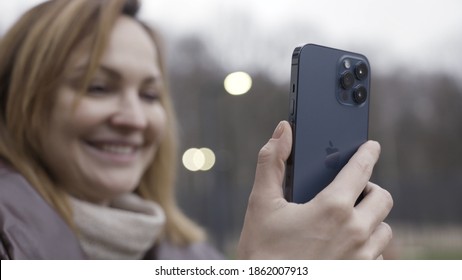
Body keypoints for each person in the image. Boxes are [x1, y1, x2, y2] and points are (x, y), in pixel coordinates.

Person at [0, 0, 393, 260]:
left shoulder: (196, 258)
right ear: (19, 96)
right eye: (98, 87)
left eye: (150, 94)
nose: (134, 118)